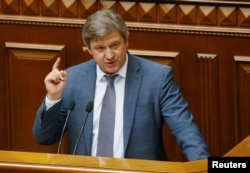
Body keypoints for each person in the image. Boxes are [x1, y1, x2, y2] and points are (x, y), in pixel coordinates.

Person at [32, 9, 210, 161]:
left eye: (115, 45)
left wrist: (203, 166)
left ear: (126, 41)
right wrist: (53, 98)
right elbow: (44, 138)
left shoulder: (157, 78)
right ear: (89, 49)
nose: (109, 55)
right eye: (100, 48)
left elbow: (185, 129)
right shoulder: (72, 79)